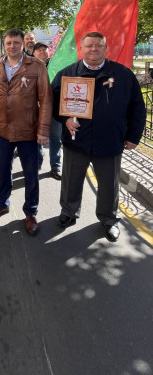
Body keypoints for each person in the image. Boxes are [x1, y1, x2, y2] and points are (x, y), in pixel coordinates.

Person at [51, 32, 146, 242]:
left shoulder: (123, 74)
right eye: (89, 45)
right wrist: (65, 118)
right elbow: (53, 103)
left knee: (109, 185)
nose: (94, 49)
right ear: (81, 48)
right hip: (77, 141)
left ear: (105, 48)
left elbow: (138, 107)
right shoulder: (67, 74)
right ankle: (68, 212)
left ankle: (109, 219)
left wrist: (133, 136)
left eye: (98, 45)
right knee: (71, 181)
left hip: (110, 141)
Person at [0, 28, 52, 236]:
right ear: (4, 44)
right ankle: (2, 203)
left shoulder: (36, 66)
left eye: (16, 42)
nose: (12, 46)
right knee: (4, 170)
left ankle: (31, 212)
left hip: (28, 130)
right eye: (9, 43)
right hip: (2, 128)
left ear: (23, 44)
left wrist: (43, 130)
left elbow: (46, 99)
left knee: (31, 173)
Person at [33, 42, 62, 179]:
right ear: (33, 53)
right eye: (39, 50)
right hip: (36, 110)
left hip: (55, 109)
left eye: (45, 49)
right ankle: (37, 163)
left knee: (56, 138)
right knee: (37, 137)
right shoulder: (29, 68)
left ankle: (55, 166)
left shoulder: (57, 66)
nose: (42, 52)